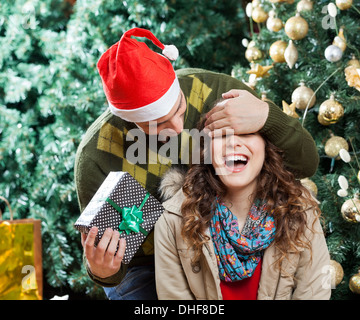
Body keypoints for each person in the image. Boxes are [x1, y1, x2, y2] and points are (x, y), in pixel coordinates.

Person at [75, 28, 320, 300]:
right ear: (130, 120)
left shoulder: (216, 91)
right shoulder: (96, 156)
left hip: (227, 236)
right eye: (158, 126)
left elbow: (305, 165)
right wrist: (103, 270)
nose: (179, 128)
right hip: (147, 264)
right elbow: (113, 267)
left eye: (179, 109)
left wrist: (267, 116)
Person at [154, 110, 331, 300]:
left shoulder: (300, 210)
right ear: (206, 151)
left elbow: (314, 294)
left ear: (266, 147)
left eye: (246, 132)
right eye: (222, 135)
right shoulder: (173, 220)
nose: (233, 142)